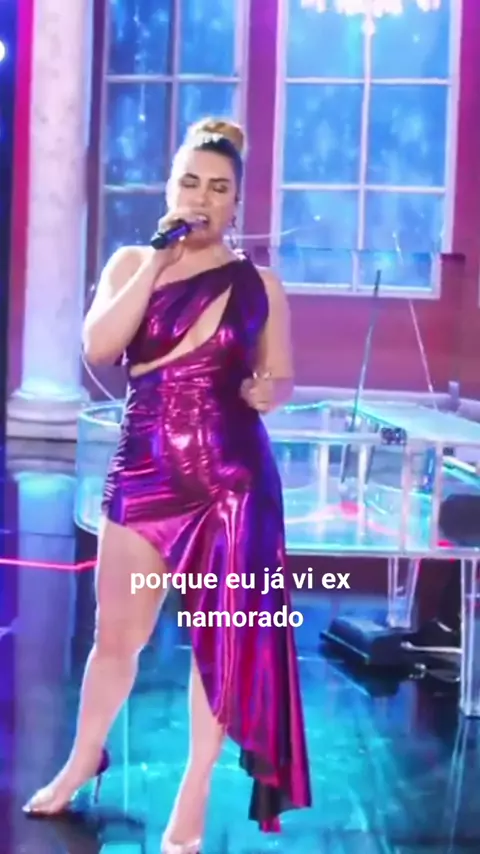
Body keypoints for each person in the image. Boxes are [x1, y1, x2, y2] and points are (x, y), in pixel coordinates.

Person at [22, 117, 312, 852]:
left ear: (237, 203)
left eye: (218, 188)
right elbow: (100, 346)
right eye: (190, 182)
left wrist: (268, 390)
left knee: (219, 644)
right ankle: (82, 759)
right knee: (115, 637)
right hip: (145, 470)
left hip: (231, 482)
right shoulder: (131, 262)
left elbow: (281, 375)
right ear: (170, 188)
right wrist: (157, 259)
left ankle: (195, 787)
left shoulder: (260, 285)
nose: (202, 198)